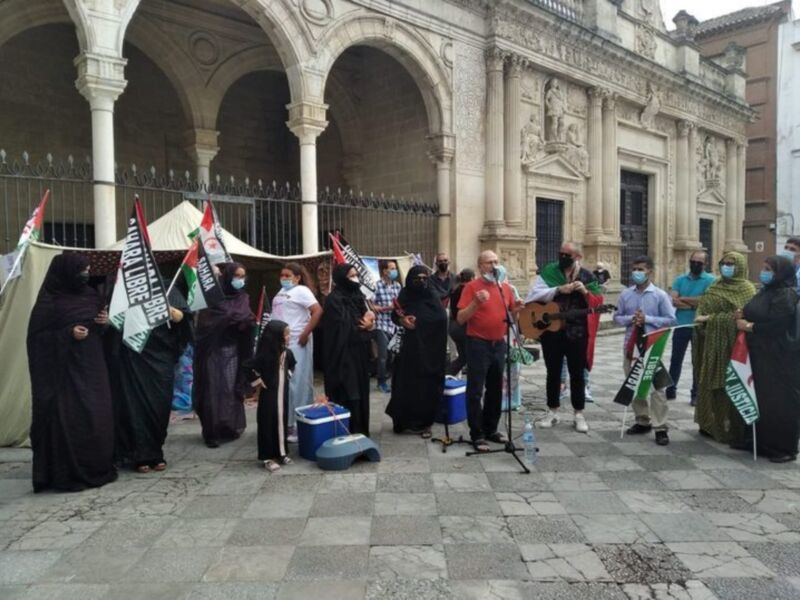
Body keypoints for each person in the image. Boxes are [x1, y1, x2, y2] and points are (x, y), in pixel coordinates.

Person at [27, 254, 117, 492]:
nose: (85, 275)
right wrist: (67, 334)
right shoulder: (49, 302)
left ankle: (97, 466)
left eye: (87, 270)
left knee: (97, 416)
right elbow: (37, 340)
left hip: (93, 366)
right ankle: (66, 471)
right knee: (69, 419)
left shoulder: (91, 295)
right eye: (81, 271)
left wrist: (104, 322)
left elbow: (103, 331)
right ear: (66, 273)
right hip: (63, 375)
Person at [109, 284, 193, 473]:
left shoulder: (166, 286)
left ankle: (155, 451)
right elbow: (114, 321)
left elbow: (184, 318)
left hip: (161, 358)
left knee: (159, 407)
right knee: (133, 407)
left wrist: (168, 310)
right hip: (132, 357)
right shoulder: (124, 287)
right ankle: (138, 456)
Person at [527, 242, 603, 433]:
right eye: (561, 253)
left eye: (567, 254)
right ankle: (552, 412)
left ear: (577, 257)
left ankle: (579, 414)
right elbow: (533, 295)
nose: (562, 257)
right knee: (552, 372)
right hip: (552, 332)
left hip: (577, 333)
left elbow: (598, 302)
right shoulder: (549, 271)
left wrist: (584, 291)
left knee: (577, 373)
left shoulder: (587, 276)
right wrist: (558, 290)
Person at [457, 250, 523, 452]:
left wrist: (517, 309)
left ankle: (491, 429)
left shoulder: (506, 288)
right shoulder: (471, 287)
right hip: (478, 344)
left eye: (496, 261)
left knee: (496, 389)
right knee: (476, 390)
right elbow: (460, 318)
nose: (494, 266)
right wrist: (476, 303)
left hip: (499, 343)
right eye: (489, 262)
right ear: (480, 266)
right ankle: (477, 434)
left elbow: (512, 316)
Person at [736, 255, 800, 462]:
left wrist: (749, 326)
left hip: (779, 357)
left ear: (781, 273)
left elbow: (778, 325)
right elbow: (753, 310)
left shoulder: (786, 294)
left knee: (778, 401)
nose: (764, 272)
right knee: (760, 397)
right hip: (759, 353)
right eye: (764, 268)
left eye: (769, 269)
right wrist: (741, 314)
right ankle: (757, 440)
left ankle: (783, 447)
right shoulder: (766, 291)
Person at [693, 251, 756, 446]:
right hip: (708, 344)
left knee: (728, 385)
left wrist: (711, 319)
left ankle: (729, 427)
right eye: (724, 263)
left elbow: (745, 319)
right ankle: (708, 423)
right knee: (707, 382)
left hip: (733, 348)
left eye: (731, 264)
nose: (727, 267)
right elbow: (701, 310)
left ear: (741, 267)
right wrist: (703, 319)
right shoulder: (715, 285)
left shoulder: (747, 289)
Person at [614, 256, 677, 445]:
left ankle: (661, 426)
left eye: (640, 269)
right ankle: (642, 420)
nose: (636, 273)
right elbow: (617, 317)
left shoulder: (659, 295)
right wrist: (630, 320)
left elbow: (671, 319)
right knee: (633, 384)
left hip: (652, 346)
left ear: (650, 271)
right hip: (631, 347)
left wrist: (648, 319)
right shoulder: (626, 294)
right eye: (634, 269)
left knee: (657, 388)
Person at [193, 262, 255, 448]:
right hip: (212, 351)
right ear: (227, 277)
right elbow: (205, 325)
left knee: (230, 391)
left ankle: (230, 427)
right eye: (237, 276)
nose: (240, 280)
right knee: (212, 392)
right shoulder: (213, 298)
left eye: (243, 277)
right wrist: (230, 318)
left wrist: (245, 322)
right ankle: (212, 432)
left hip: (233, 350)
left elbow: (248, 318)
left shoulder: (243, 297)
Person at [385, 265, 449, 437]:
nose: (421, 282)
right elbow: (395, 315)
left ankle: (425, 423)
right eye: (416, 279)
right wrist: (402, 320)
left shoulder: (432, 294)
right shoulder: (405, 294)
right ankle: (403, 420)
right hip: (409, 350)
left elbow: (441, 318)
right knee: (405, 384)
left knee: (427, 386)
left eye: (423, 278)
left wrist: (419, 321)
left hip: (431, 350)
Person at [322, 264, 376, 436]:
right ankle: (346, 434)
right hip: (342, 356)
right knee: (347, 393)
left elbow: (366, 321)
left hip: (359, 354)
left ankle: (360, 433)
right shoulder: (334, 299)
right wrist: (364, 324)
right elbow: (342, 328)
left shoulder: (358, 295)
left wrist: (369, 324)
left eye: (356, 275)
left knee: (360, 393)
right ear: (341, 278)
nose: (355, 279)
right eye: (351, 276)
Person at [272, 262, 322, 442]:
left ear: (297, 277)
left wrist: (305, 332)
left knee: (299, 382)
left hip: (297, 342)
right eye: (282, 275)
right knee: (286, 384)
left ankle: (301, 423)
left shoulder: (301, 291)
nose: (284, 278)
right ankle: (288, 423)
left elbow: (317, 311)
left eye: (288, 275)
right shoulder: (280, 293)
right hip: (282, 344)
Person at [243, 319, 296, 471]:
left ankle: (282, 452)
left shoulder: (288, 354)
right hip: (269, 397)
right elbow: (247, 366)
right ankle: (267, 457)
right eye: (286, 334)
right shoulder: (264, 356)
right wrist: (258, 382)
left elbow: (293, 365)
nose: (288, 337)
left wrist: (287, 375)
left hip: (283, 396)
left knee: (282, 422)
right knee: (267, 424)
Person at [666, 251, 714, 404]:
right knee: (675, 359)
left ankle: (696, 393)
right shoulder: (680, 279)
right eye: (693, 261)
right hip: (681, 325)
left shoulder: (711, 280)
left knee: (697, 361)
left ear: (705, 264)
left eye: (699, 262)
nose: (695, 264)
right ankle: (671, 389)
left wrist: (684, 300)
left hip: (700, 325)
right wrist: (694, 304)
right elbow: (674, 301)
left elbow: (706, 301)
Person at [371, 260, 401, 393]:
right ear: (384, 271)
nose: (394, 271)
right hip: (381, 324)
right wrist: (385, 308)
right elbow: (370, 305)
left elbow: (400, 303)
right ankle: (381, 381)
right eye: (392, 268)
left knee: (392, 355)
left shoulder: (397, 286)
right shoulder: (376, 286)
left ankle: (391, 378)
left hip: (394, 325)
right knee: (383, 355)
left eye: (395, 268)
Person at [447, 268, 475, 376]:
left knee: (463, 357)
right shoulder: (467, 290)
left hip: (454, 327)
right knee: (470, 356)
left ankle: (446, 376)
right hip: (463, 327)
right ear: (472, 278)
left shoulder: (456, 289)